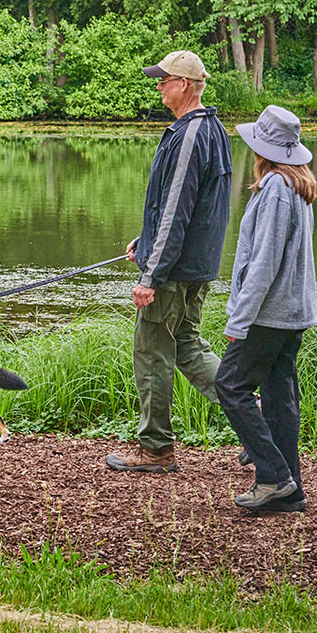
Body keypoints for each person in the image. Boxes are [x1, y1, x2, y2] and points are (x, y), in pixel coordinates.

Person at [104, 50, 232, 474]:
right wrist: (148, 240)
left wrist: (152, 273)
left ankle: (156, 449)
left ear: (185, 85)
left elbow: (178, 207)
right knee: (189, 345)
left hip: (175, 271)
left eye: (164, 79)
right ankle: (256, 419)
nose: (158, 85)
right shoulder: (208, 129)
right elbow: (184, 208)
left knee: (153, 350)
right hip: (192, 264)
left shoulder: (191, 133)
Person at [217, 105, 317, 513]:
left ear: (263, 148)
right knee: (278, 396)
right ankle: (289, 491)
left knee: (230, 385)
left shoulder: (276, 187)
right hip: (292, 313)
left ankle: (274, 475)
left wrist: (239, 318)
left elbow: (264, 261)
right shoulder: (296, 184)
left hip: (270, 314)